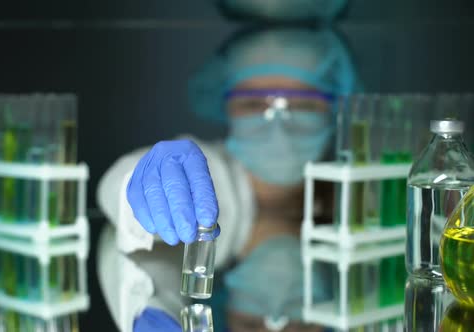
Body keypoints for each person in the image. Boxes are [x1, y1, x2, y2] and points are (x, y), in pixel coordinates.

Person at [97, 26, 356, 332]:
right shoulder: (211, 180)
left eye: (303, 104)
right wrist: (135, 183)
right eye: (253, 104)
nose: (278, 122)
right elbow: (121, 190)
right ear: (225, 106)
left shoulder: (364, 193)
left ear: (335, 108)